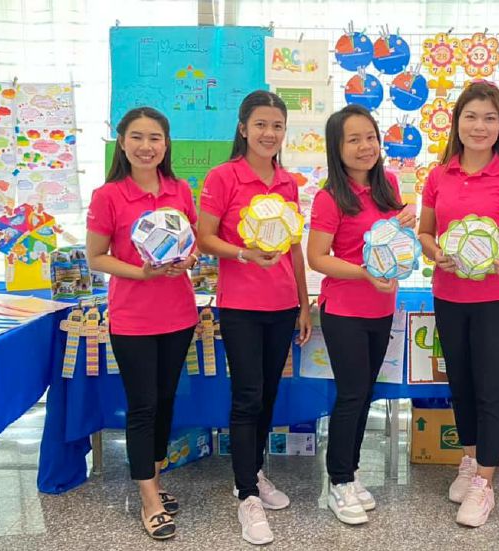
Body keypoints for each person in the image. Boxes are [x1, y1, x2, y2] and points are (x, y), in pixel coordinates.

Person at [417, 81, 499, 527]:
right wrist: (434, 252)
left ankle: (485, 482)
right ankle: (469, 460)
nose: (479, 126)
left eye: (489, 118)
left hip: (496, 301)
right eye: (471, 116)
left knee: (489, 388)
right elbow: (425, 232)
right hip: (449, 296)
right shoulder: (439, 175)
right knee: (461, 384)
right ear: (457, 122)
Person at [196, 90, 312, 546]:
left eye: (277, 126)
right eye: (261, 124)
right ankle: (246, 494)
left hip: (282, 306)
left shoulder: (287, 182)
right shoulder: (223, 176)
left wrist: (303, 303)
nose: (269, 133)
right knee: (246, 396)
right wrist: (243, 253)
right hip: (241, 306)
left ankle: (255, 472)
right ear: (243, 128)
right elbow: (205, 237)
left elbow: (295, 246)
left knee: (267, 395)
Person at [86, 107, 199, 540]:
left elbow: (190, 243)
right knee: (143, 405)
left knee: (166, 400)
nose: (146, 146)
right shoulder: (108, 195)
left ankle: (154, 476)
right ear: (122, 142)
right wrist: (143, 273)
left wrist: (188, 259)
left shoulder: (179, 189)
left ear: (166, 145)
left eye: (155, 138)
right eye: (137, 137)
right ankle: (149, 499)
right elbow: (96, 258)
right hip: (133, 318)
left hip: (179, 314)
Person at [307, 105, 416, 525]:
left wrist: (407, 223)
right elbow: (317, 257)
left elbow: (391, 244)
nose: (365, 146)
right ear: (337, 148)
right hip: (345, 310)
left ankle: (350, 476)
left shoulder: (389, 184)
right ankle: (338, 481)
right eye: (353, 140)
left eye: (370, 137)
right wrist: (364, 273)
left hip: (381, 308)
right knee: (351, 395)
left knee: (365, 393)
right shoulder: (330, 197)